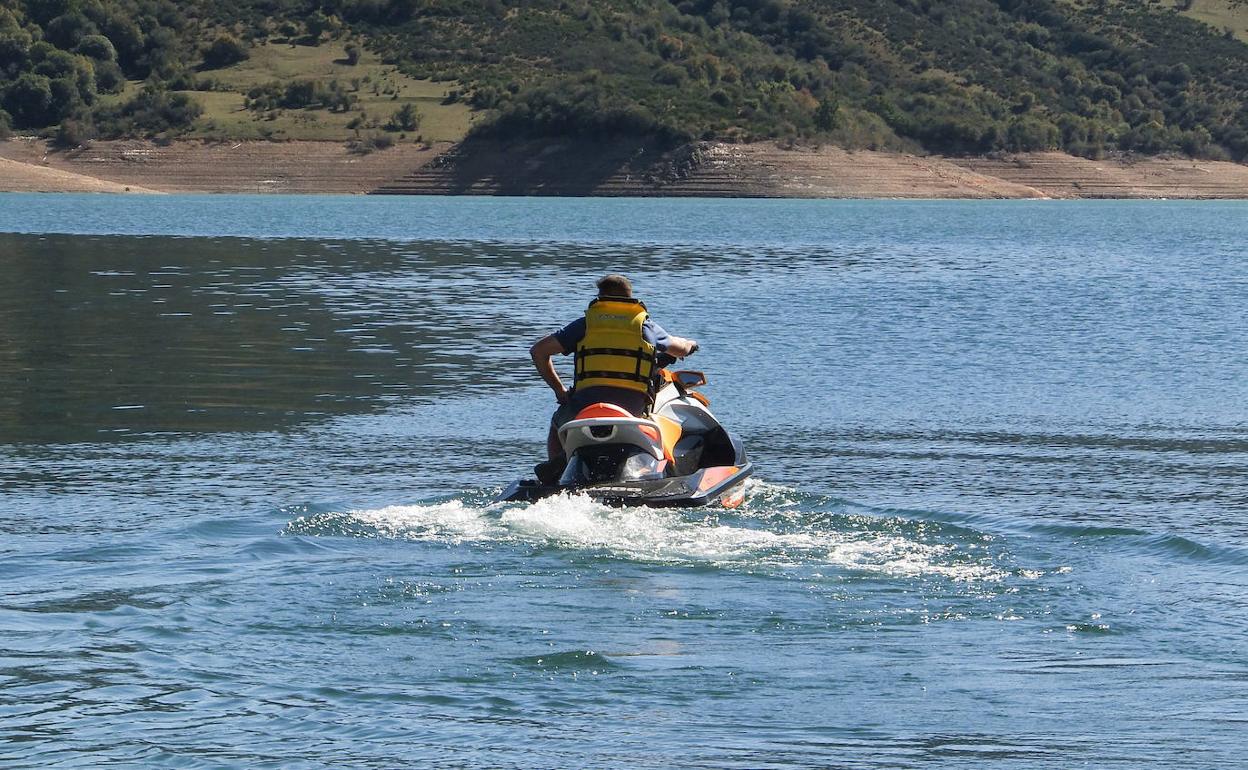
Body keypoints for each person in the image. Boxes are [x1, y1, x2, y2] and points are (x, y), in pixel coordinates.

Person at [529, 274, 698, 482]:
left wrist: (559, 391)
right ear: (630, 297)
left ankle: (556, 473)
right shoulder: (645, 326)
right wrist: (690, 345)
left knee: (558, 424)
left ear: (601, 297)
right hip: (632, 409)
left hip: (583, 409)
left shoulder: (585, 325)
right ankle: (656, 470)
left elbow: (539, 351)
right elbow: (679, 348)